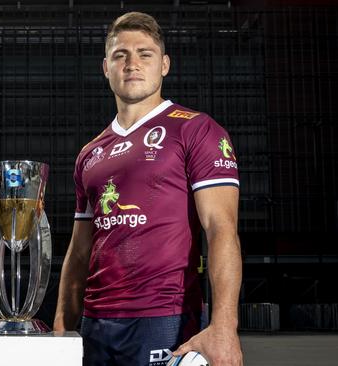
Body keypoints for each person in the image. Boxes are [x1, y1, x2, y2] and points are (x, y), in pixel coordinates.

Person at [53, 11, 243, 366]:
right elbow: (79, 251)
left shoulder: (196, 129)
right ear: (105, 67)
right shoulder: (89, 153)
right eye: (120, 55)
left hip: (165, 318)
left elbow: (221, 229)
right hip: (96, 324)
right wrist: (62, 325)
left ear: (165, 65)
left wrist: (224, 327)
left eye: (145, 54)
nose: (132, 64)